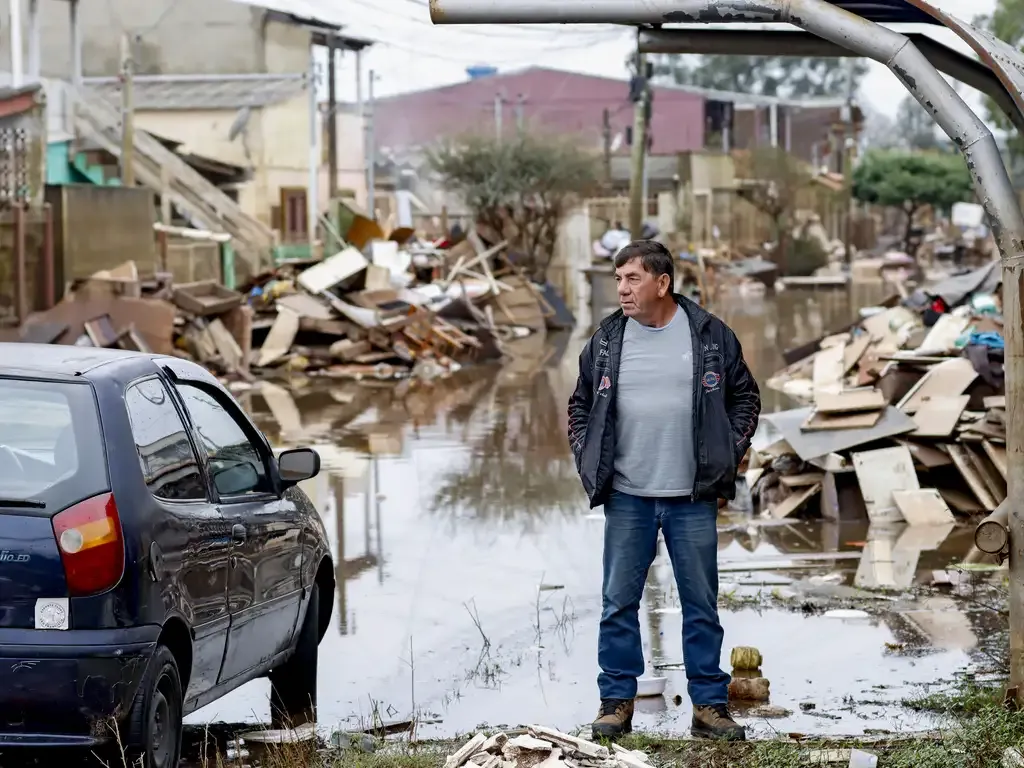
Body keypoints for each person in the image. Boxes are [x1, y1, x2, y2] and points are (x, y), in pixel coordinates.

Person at [566, 239, 761, 742]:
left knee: (701, 603)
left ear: (662, 283)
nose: (622, 289)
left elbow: (745, 397)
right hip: (628, 495)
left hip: (691, 496)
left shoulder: (710, 336)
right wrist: (588, 457)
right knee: (617, 603)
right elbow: (580, 404)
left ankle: (710, 707)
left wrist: (726, 451)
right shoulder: (607, 340)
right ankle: (616, 703)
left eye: (632, 279)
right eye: (618, 279)